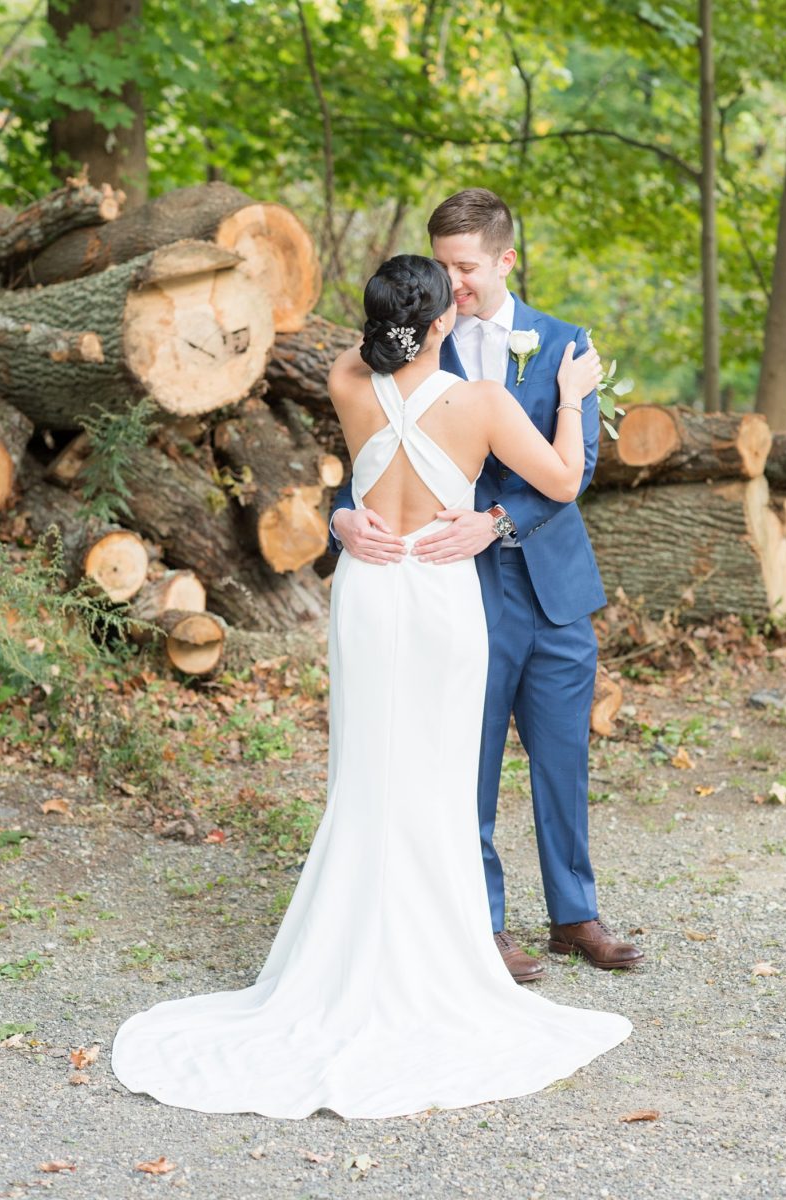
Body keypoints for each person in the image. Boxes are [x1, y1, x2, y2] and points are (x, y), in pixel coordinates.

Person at [111, 254, 631, 1120]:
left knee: (365, 776)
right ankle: (434, 957)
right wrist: (573, 394)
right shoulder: (483, 404)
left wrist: (349, 510)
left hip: (366, 590)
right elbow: (563, 479)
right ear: (437, 328)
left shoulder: (347, 377)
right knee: (432, 777)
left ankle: (343, 957)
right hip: (436, 596)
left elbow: (359, 459)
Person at [331, 190, 644, 982]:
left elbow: (582, 471)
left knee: (561, 757)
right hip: (454, 589)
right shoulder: (410, 341)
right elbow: (368, 461)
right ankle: (484, 920)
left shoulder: (565, 344)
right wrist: (340, 516)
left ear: (506, 259)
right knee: (462, 759)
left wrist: (496, 519)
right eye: (440, 266)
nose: (452, 281)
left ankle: (575, 915)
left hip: (553, 587)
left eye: (464, 266)